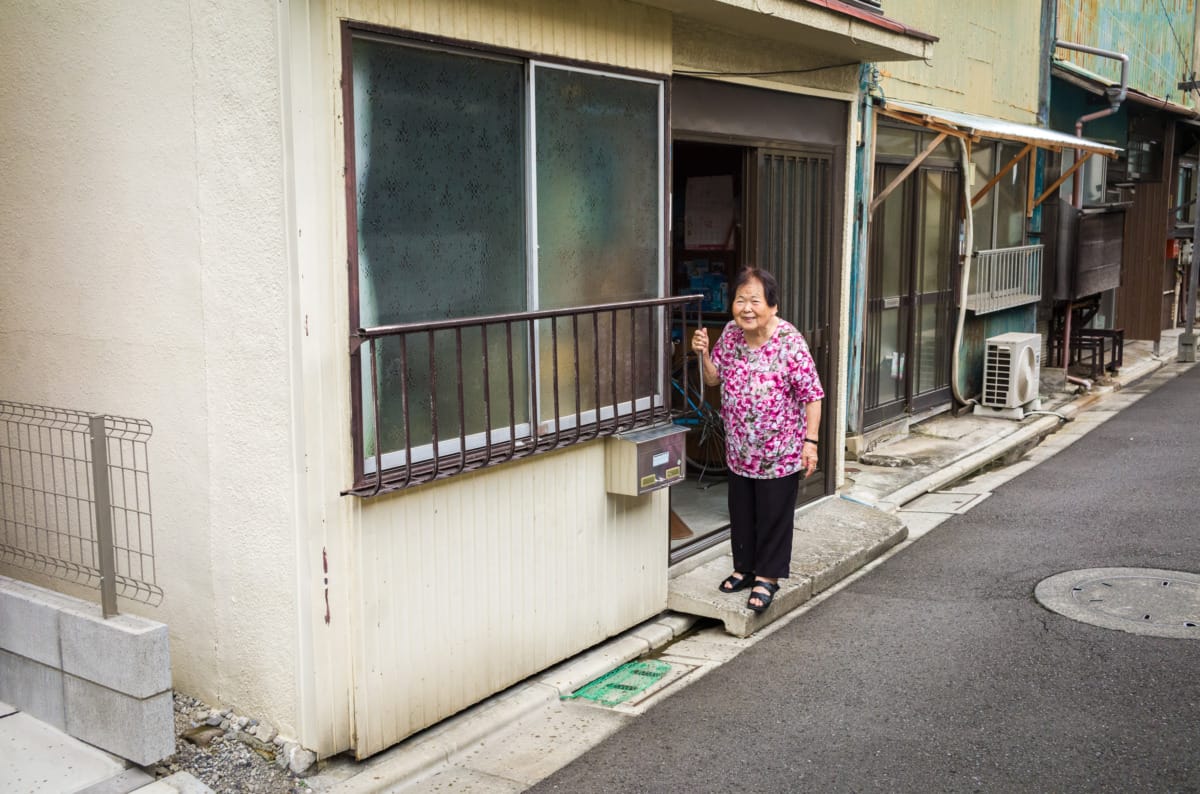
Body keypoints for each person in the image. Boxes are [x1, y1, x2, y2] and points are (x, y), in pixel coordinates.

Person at [691, 267, 823, 613]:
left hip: (779, 451)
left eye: (754, 301)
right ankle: (745, 568)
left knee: (772, 515)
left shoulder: (789, 341)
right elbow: (714, 379)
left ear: (773, 306)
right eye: (740, 300)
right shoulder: (732, 334)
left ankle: (768, 577)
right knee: (743, 511)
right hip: (739, 448)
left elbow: (813, 395)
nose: (746, 308)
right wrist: (703, 354)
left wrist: (811, 443)